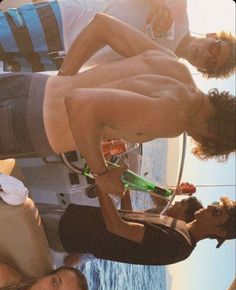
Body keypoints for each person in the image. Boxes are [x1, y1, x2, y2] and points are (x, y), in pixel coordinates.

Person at [0, 14, 235, 196]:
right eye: (203, 143)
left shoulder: (175, 67)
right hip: (26, 127)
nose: (194, 138)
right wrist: (102, 173)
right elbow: (83, 105)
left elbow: (102, 26)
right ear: (213, 135)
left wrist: (64, 79)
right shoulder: (176, 118)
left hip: (30, 85)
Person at [0, 0, 235, 79]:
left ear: (203, 69)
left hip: (64, 60)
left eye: (211, 62)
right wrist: (158, 2)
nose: (206, 54)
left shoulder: (163, 69)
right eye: (215, 48)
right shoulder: (178, 7)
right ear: (212, 36)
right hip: (63, 20)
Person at [41, 195, 236, 266]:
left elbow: (116, 227)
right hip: (73, 219)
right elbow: (129, 218)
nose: (211, 207)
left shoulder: (178, 243)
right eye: (215, 204)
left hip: (70, 231)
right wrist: (123, 189)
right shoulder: (181, 230)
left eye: (217, 212)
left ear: (220, 232)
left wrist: (101, 181)